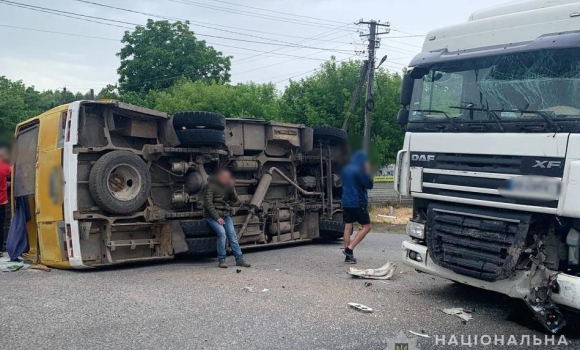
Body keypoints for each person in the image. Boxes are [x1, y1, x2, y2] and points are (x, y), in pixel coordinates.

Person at [204, 168, 251, 268]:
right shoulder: (210, 186)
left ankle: (240, 259)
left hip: (225, 215)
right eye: (225, 178)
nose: (227, 179)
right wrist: (217, 218)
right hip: (212, 216)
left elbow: (235, 200)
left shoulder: (227, 186)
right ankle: (222, 260)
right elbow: (208, 204)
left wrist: (232, 187)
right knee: (222, 233)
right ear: (220, 177)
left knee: (232, 235)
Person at [341, 150, 374, 264]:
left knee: (347, 226)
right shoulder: (360, 171)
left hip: (346, 202)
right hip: (358, 202)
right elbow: (369, 185)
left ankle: (348, 256)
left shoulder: (346, 170)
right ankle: (349, 250)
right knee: (367, 227)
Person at [0, 148, 11, 254]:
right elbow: (17, 173)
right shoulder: (4, 167)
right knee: (3, 224)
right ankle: (2, 247)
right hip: (2, 201)